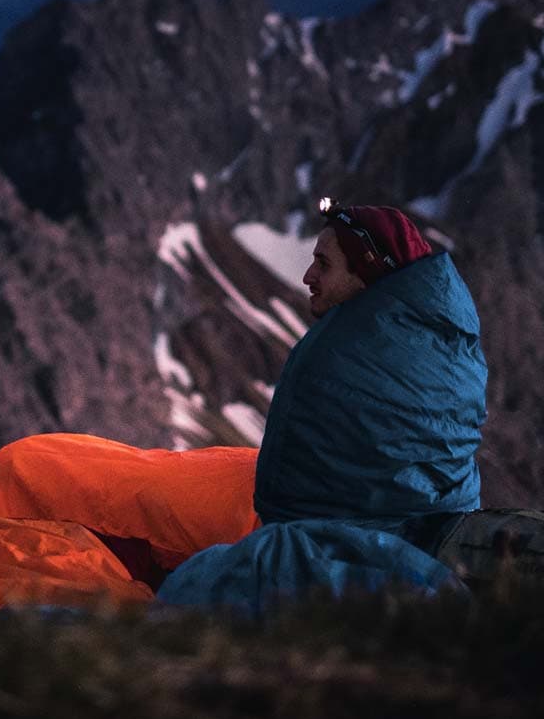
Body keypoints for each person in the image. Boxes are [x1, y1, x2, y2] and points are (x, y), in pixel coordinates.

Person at [158, 200, 487, 610]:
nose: (308, 276)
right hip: (439, 534)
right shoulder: (446, 342)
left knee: (200, 583)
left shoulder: (351, 354)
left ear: (366, 270)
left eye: (324, 264)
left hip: (367, 542)